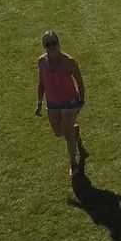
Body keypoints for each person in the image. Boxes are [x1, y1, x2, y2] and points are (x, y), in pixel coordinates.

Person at [34, 32, 88, 174]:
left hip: (70, 102)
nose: (51, 46)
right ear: (44, 47)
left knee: (67, 136)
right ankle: (75, 132)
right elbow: (41, 83)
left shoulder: (69, 61)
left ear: (59, 43)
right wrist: (39, 102)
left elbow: (80, 82)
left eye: (54, 43)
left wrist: (81, 100)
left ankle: (73, 164)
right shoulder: (41, 62)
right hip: (52, 102)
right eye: (48, 44)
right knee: (59, 133)